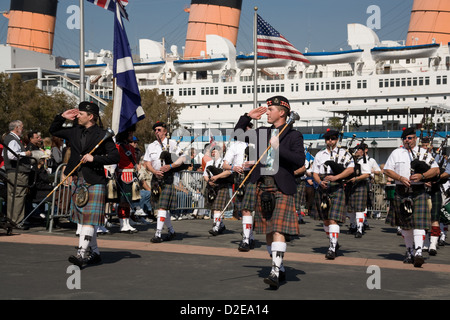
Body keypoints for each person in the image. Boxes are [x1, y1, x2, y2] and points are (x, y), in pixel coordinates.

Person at [234, 96, 304, 289]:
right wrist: (247, 116)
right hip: (262, 185)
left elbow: (300, 161)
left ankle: (274, 270)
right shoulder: (262, 132)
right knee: (267, 231)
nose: (267, 111)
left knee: (278, 229)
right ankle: (279, 267)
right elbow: (238, 135)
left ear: (282, 112)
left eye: (270, 109)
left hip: (281, 186)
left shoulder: (294, 135)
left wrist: (278, 148)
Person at [49, 101, 120, 268]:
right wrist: (61, 117)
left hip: (94, 179)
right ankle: (94, 252)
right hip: (77, 179)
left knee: (88, 220)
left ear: (91, 116)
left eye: (81, 113)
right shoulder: (74, 131)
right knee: (83, 219)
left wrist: (94, 158)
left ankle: (81, 254)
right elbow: (53, 130)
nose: (77, 115)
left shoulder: (103, 135)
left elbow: (114, 157)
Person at [383, 127, 439, 267]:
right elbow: (387, 170)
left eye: (410, 138)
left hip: (418, 190)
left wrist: (422, 176)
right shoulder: (397, 153)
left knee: (419, 223)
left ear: (415, 139)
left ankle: (419, 252)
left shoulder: (424, 153)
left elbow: (436, 169)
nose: (408, 140)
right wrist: (400, 178)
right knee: (406, 225)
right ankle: (409, 251)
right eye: (405, 138)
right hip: (401, 190)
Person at [311, 129, 354, 260]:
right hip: (323, 187)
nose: (330, 141)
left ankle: (332, 247)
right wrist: (319, 183)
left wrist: (336, 178)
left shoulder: (344, 153)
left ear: (337, 140)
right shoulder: (319, 154)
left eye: (333, 139)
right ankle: (333, 241)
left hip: (337, 187)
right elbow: (315, 173)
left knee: (333, 219)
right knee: (325, 219)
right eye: (328, 139)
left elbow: (351, 169)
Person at [143, 121, 186, 243]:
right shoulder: (151, 146)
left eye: (159, 130)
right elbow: (147, 163)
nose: (156, 132)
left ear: (165, 131)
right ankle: (171, 231)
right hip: (156, 178)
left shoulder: (172, 143)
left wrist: (170, 166)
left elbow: (183, 158)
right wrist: (154, 171)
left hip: (167, 178)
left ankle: (158, 234)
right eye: (155, 130)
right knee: (162, 207)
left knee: (162, 206)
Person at [222, 122, 256, 251]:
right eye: (247, 128)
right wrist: (233, 167)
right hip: (240, 178)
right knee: (245, 210)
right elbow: (225, 165)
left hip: (254, 178)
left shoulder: (257, 144)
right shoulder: (235, 146)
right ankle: (246, 239)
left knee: (253, 210)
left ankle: (249, 236)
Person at [3, 120, 32, 228]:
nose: (23, 129)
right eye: (22, 127)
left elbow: (4, 154)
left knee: (12, 196)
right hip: (17, 171)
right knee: (19, 195)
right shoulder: (12, 139)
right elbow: (11, 155)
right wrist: (26, 153)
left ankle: (12, 220)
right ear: (16, 128)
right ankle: (17, 221)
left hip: (12, 171)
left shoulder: (8, 138)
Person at [203, 144, 233, 235]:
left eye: (215, 150)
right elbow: (205, 174)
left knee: (217, 208)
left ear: (220, 152)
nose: (213, 152)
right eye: (212, 151)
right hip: (212, 187)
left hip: (221, 186)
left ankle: (216, 227)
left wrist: (217, 177)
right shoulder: (209, 163)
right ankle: (221, 225)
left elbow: (228, 172)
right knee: (214, 208)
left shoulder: (224, 163)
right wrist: (209, 181)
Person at [115, 126, 139, 233]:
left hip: (131, 176)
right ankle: (122, 223)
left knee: (128, 201)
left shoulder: (131, 148)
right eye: (129, 134)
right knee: (123, 201)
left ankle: (127, 222)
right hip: (122, 175)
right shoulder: (117, 147)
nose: (131, 136)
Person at [346, 143, 372, 238]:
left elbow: (367, 174)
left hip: (360, 185)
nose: (356, 151)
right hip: (352, 186)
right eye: (355, 150)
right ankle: (353, 226)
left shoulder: (364, 161)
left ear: (363, 151)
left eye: (358, 150)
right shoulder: (353, 160)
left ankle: (359, 229)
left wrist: (356, 179)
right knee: (351, 209)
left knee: (359, 209)